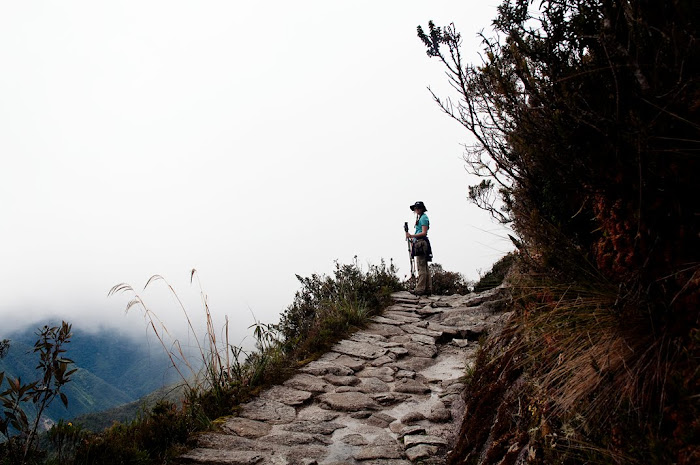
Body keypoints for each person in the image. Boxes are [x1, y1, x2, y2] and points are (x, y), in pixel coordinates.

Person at [406, 201, 432, 295]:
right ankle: (427, 288)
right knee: (424, 266)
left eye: (417, 208)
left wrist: (412, 236)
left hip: (421, 243)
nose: (416, 210)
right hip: (419, 242)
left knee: (421, 266)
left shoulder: (424, 218)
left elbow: (424, 232)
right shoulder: (421, 217)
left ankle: (420, 289)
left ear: (421, 208)